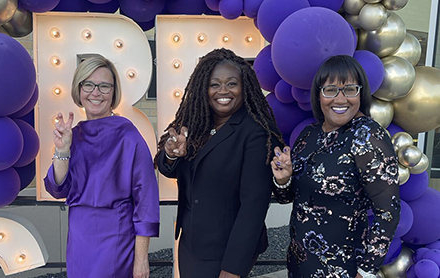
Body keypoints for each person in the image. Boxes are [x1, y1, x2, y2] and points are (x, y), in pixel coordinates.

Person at [155, 48, 285, 278]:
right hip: (192, 245)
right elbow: (170, 170)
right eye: (214, 84)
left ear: (244, 87)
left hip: (227, 250)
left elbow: (253, 208)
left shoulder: (256, 133)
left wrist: (233, 269)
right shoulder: (195, 124)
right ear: (203, 88)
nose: (222, 91)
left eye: (231, 84)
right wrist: (172, 155)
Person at [271, 55, 400, 278]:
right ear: (318, 94)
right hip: (300, 262)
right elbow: (290, 198)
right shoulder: (308, 135)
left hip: (343, 269)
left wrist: (366, 271)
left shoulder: (368, 136)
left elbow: (388, 211)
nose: (340, 99)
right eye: (330, 90)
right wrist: (284, 180)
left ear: (361, 93)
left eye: (350, 89)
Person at [44, 55, 160, 278]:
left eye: (104, 86)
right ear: (78, 90)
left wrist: (141, 259)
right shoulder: (73, 135)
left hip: (115, 237)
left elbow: (146, 200)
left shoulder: (128, 135)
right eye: (88, 84)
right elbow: (57, 189)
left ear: (114, 93)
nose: (95, 92)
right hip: (79, 237)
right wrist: (62, 150)